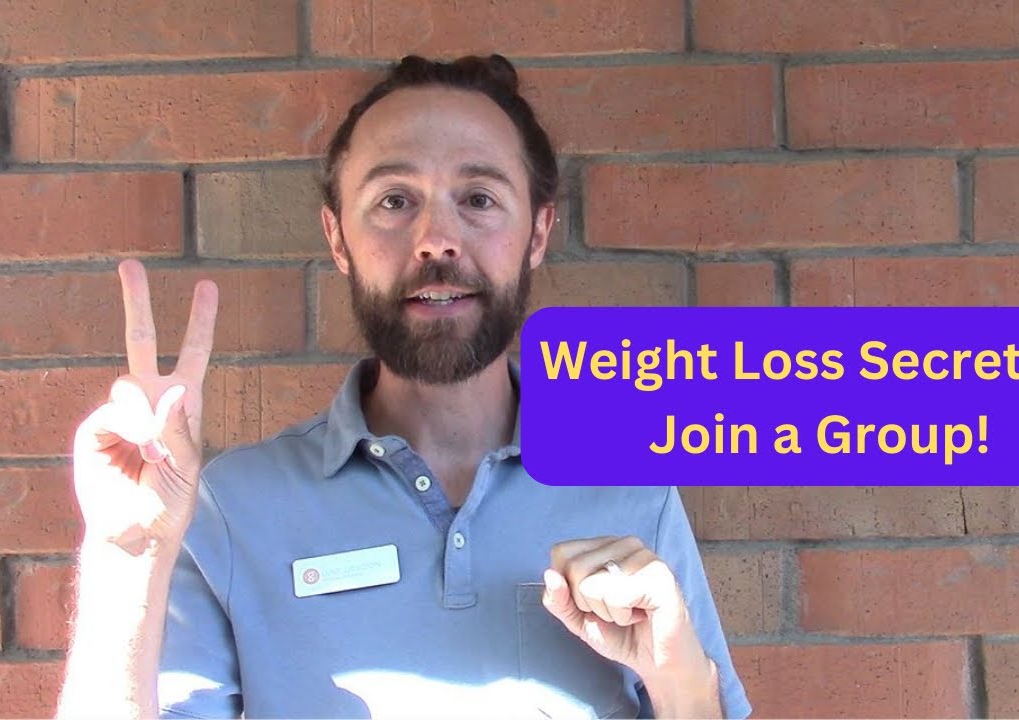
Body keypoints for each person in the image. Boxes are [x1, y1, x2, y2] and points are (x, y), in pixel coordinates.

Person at [56, 54, 752, 719]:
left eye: (478, 198)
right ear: (338, 238)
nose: (436, 240)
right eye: (394, 200)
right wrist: (127, 561)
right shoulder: (232, 507)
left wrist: (682, 686)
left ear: (539, 232)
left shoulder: (633, 489)